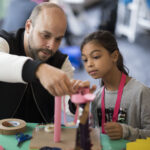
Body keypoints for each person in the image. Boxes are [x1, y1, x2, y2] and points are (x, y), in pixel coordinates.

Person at [0, 2, 90, 123]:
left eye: (58, 39)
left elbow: (66, 101)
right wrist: (38, 69)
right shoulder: (5, 42)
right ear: (28, 26)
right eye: (45, 35)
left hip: (40, 136)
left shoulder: (61, 62)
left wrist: (76, 100)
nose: (51, 46)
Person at [80, 30, 150, 141]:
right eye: (85, 59)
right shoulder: (96, 97)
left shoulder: (141, 93)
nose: (89, 64)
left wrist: (126, 132)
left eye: (96, 56)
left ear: (114, 56)